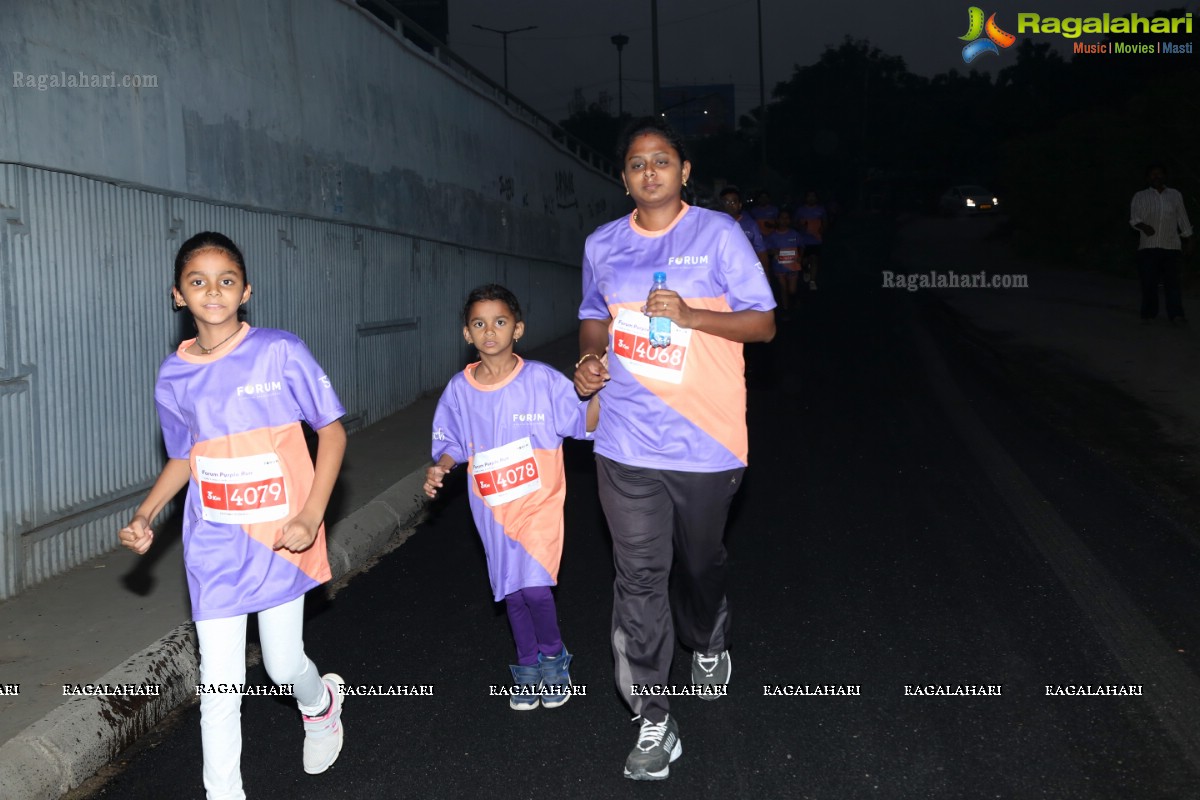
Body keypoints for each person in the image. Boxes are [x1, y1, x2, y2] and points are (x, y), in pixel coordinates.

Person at [574, 117, 776, 781]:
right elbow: (593, 314)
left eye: (662, 160)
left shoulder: (717, 234)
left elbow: (763, 323)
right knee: (637, 578)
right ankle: (655, 719)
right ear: (624, 178)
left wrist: (692, 316)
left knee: (700, 564)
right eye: (636, 164)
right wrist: (591, 357)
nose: (649, 172)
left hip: (708, 442)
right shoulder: (603, 244)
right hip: (627, 440)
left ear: (684, 171)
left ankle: (709, 629)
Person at [118, 232, 348, 799]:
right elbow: (184, 456)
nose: (212, 291)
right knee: (219, 685)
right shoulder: (174, 375)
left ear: (245, 291)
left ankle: (320, 705)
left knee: (281, 662)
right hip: (213, 542)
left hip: (280, 535)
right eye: (198, 281)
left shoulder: (279, 350)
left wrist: (312, 513)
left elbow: (332, 432)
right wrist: (146, 513)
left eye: (225, 280)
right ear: (178, 296)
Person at [424, 284, 599, 710]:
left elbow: (583, 422)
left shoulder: (541, 380)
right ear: (467, 334)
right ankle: (526, 663)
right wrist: (441, 468)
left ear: (517, 328)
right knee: (512, 592)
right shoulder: (459, 390)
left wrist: (598, 391)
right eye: (479, 324)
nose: (490, 331)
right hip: (493, 509)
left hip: (538, 503)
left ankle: (554, 658)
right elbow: (452, 443)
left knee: (535, 588)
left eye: (500, 322)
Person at [1130, 164, 1194, 323]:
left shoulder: (1175, 195)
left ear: (1165, 177)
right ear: (1147, 178)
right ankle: (1149, 313)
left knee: (1172, 283)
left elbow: (1182, 218)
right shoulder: (1140, 196)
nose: (1156, 177)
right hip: (1149, 247)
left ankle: (1176, 314)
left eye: (1159, 174)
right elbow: (1134, 218)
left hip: (1171, 246)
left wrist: (1189, 238)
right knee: (1149, 282)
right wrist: (1143, 226)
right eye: (1152, 174)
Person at [720, 185, 770, 270]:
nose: (730, 205)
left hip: (746, 270)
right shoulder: (715, 224)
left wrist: (766, 275)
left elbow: (761, 251)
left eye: (733, 202)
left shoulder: (751, 225)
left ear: (739, 205)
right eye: (727, 202)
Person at [765, 209, 804, 316]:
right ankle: (786, 310)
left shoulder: (794, 233)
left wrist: (800, 256)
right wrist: (773, 251)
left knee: (792, 290)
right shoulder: (772, 236)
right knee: (783, 288)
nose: (784, 220)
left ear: (789, 220)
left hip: (793, 266)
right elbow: (766, 250)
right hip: (779, 267)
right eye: (782, 218)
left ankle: (794, 300)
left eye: (787, 218)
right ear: (777, 220)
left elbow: (801, 246)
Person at [794, 190, 828, 290]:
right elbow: (794, 223)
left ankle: (812, 281)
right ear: (806, 198)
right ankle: (806, 270)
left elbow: (825, 222)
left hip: (816, 240)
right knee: (803, 261)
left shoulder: (821, 210)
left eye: (813, 196)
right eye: (809, 196)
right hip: (802, 240)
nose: (811, 198)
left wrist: (823, 229)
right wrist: (801, 226)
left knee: (814, 259)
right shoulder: (800, 210)